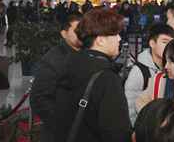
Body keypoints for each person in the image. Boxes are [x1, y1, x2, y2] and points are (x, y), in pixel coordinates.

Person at [54, 10, 131, 142]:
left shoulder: (69, 63)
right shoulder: (107, 78)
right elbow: (116, 132)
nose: (119, 39)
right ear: (100, 40)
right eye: (115, 34)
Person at [31, 14, 83, 142]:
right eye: (76, 31)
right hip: (59, 133)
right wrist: (62, 123)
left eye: (84, 30)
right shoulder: (54, 58)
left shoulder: (87, 55)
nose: (82, 34)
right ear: (64, 34)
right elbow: (39, 98)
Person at [125, 23, 174, 124]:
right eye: (164, 42)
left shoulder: (171, 68)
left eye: (171, 43)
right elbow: (129, 108)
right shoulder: (139, 72)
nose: (168, 46)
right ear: (152, 43)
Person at [136, 36, 174, 111]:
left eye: (171, 61)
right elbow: (141, 102)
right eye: (166, 61)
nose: (166, 66)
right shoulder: (159, 80)